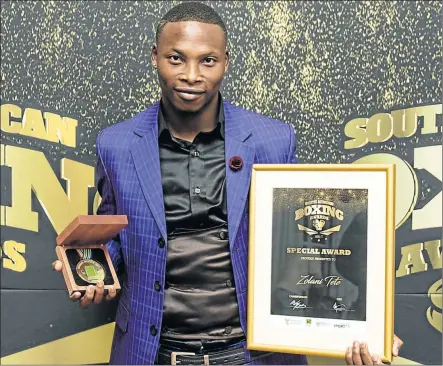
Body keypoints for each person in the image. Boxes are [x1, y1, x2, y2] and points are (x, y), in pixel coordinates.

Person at [53, 2, 403, 365]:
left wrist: (363, 324)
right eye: (176, 58)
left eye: (207, 60)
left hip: (252, 354)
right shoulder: (117, 145)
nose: (191, 74)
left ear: (226, 61)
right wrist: (89, 268)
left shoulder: (273, 140)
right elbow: (115, 238)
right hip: (153, 351)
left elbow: (306, 248)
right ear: (155, 57)